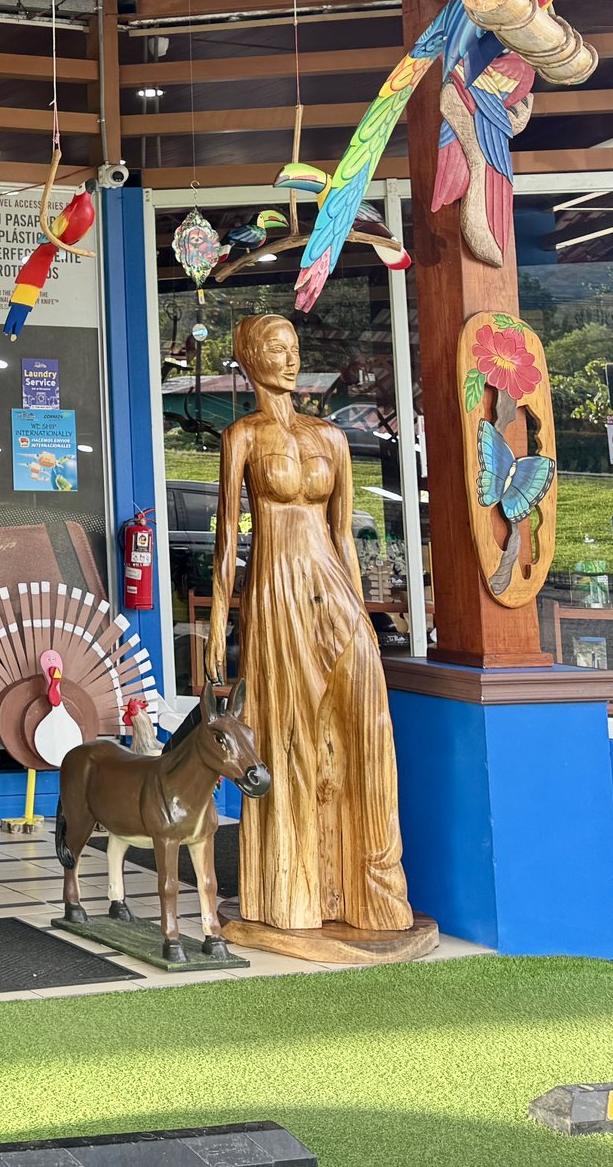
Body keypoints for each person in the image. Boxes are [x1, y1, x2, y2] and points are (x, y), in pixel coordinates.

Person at [213, 314, 413, 936]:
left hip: (334, 590)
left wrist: (363, 613)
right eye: (275, 348)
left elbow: (344, 536)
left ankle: (373, 886)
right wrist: (221, 624)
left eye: (294, 347)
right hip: (276, 593)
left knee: (367, 724)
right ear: (250, 358)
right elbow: (227, 538)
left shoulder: (331, 437)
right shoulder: (241, 436)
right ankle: (295, 891)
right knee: (292, 735)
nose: (289, 358)